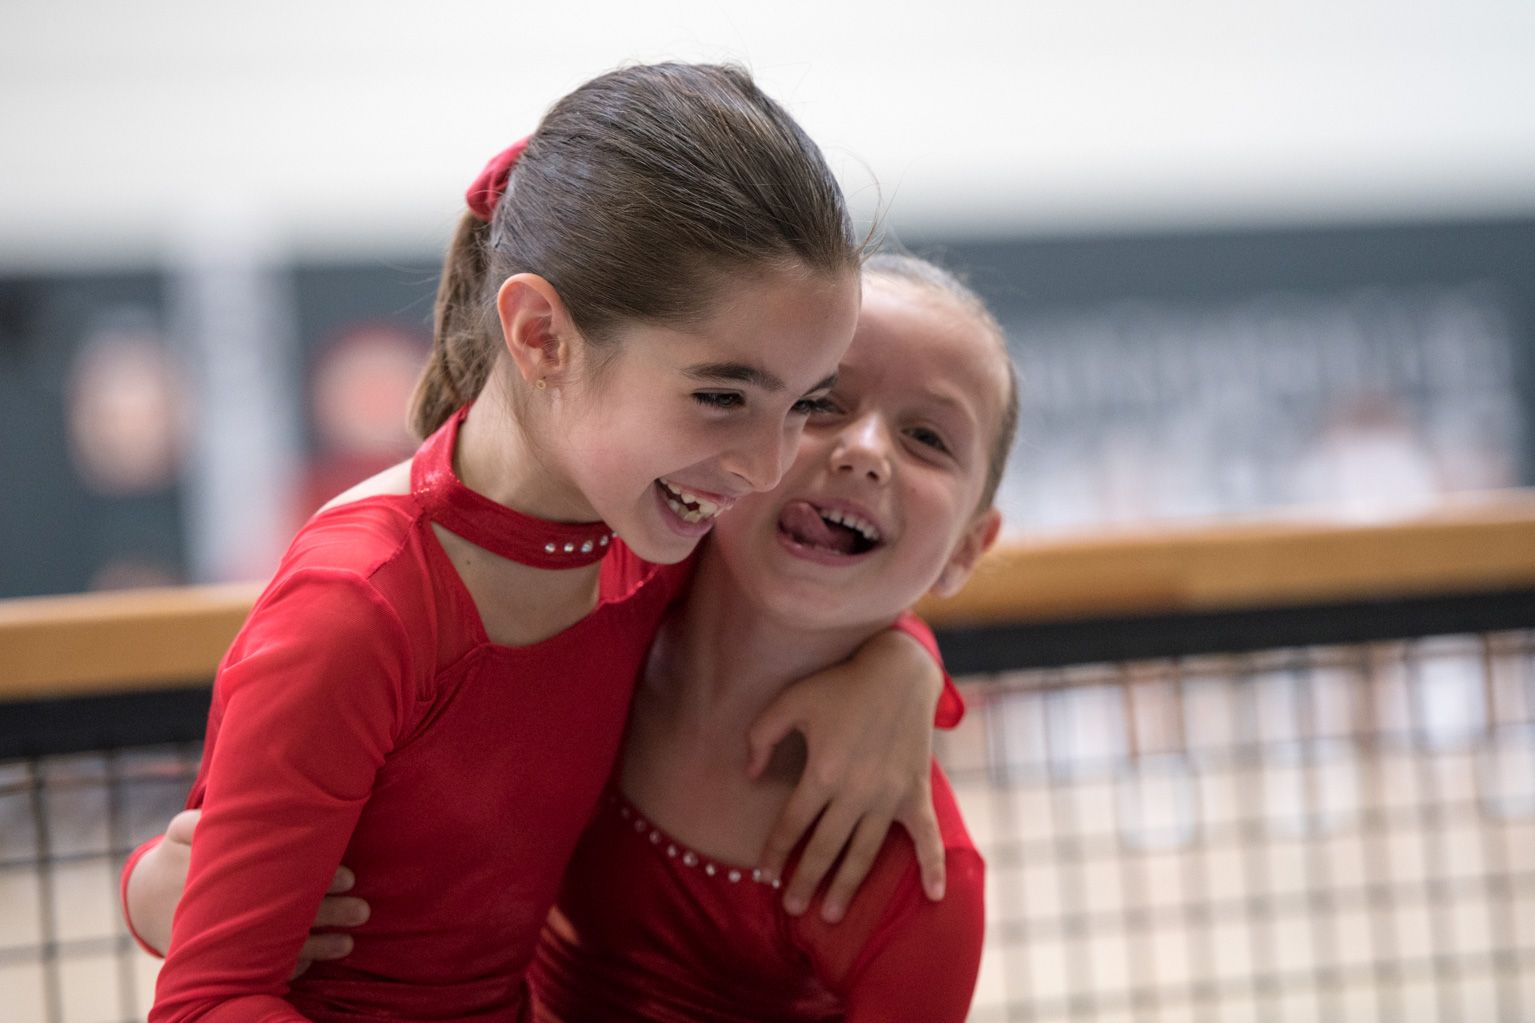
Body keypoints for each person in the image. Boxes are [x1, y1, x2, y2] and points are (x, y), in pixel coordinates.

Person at [132, 64, 955, 1023]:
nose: (767, 466)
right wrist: (154, 886)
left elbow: (802, 609)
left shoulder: (657, 535)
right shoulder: (360, 607)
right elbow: (209, 1001)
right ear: (540, 336)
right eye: (721, 396)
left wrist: (904, 669)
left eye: (802, 403)